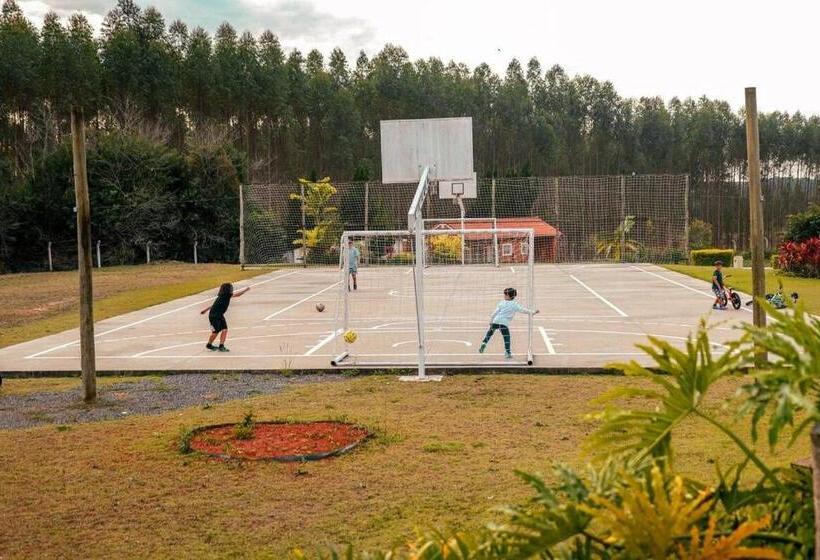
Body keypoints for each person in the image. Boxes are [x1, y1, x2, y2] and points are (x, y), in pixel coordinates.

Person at [479, 287, 539, 358]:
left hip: (496, 321)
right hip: (504, 323)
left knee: (489, 333)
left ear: (508, 296)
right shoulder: (515, 305)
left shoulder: (501, 303)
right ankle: (507, 352)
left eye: (505, 294)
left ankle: (484, 343)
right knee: (506, 337)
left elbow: (494, 313)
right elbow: (523, 310)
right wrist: (533, 312)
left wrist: (491, 321)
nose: (504, 296)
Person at [200, 283, 250, 352]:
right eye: (230, 288)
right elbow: (238, 295)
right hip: (214, 316)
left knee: (224, 329)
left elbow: (214, 305)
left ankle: (221, 346)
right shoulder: (226, 295)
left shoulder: (222, 296)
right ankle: (209, 345)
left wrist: (205, 310)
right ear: (227, 289)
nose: (232, 289)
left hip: (219, 315)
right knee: (215, 332)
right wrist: (245, 290)